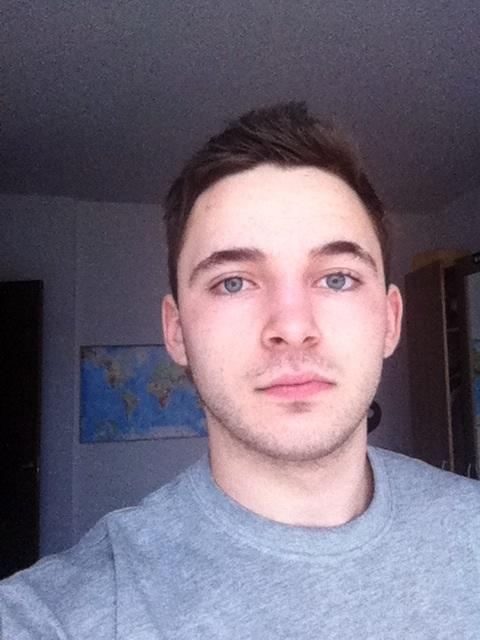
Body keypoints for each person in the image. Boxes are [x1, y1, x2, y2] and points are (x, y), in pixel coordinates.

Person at [1, 102, 479, 639]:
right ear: (177, 331)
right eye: (233, 282)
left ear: (390, 321)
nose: (292, 326)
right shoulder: (61, 615)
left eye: (337, 278)